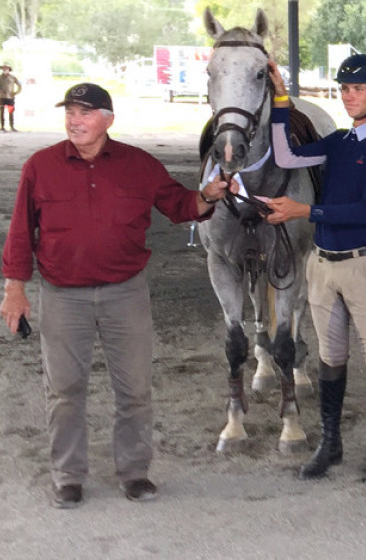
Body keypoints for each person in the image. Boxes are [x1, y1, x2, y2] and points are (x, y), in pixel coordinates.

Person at [0, 82, 230, 509]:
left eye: (85, 113)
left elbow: (179, 206)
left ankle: (135, 472)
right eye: (70, 111)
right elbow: (19, 232)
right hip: (62, 296)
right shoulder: (40, 165)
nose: (75, 120)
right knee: (65, 389)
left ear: (108, 119)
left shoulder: (138, 165)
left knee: (135, 388)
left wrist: (206, 196)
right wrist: (14, 288)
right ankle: (68, 476)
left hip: (125, 294)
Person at [264, 55, 366, 489]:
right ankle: (331, 442)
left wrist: (306, 210)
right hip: (323, 264)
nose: (349, 96)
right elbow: (286, 155)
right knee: (330, 357)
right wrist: (281, 99)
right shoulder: (340, 141)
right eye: (344, 89)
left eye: (358, 89)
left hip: (362, 263)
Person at [0, 63, 22, 131]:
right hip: (1, 98)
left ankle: (12, 126)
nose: (4, 69)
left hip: (10, 98)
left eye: (6, 68)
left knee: (11, 112)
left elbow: (19, 85)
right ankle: (2, 126)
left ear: (9, 69)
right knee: (2, 112)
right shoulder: (0, 77)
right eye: (3, 68)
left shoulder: (13, 77)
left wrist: (16, 93)